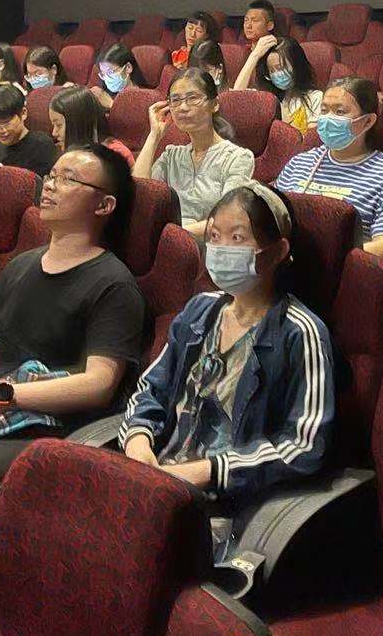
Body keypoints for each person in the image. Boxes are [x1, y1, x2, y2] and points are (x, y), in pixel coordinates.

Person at [0, 145, 146, 512]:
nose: (50, 185)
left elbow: (99, 384)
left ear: (104, 205)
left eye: (68, 179)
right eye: (51, 175)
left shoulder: (114, 284)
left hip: (41, 432)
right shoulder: (22, 265)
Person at [120, 182, 334, 509]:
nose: (220, 249)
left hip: (226, 502)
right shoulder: (200, 309)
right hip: (157, 480)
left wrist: (208, 471)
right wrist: (138, 439)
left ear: (277, 251)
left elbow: (304, 446)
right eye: (214, 236)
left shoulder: (301, 332)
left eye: (237, 238)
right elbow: (152, 387)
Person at [274, 77, 383, 262]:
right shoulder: (299, 163)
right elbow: (269, 218)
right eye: (324, 110)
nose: (328, 118)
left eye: (340, 112)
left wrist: (325, 256)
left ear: (368, 121)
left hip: (341, 271)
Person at [134, 69, 254, 235]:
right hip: (166, 240)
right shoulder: (171, 156)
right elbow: (140, 196)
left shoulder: (237, 158)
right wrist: (154, 136)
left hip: (208, 243)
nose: (183, 107)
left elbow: (229, 219)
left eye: (193, 98)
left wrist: (172, 234)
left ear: (214, 104)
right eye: (175, 100)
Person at [234, 35, 323, 131]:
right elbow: (235, 97)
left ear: (297, 65)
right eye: (272, 71)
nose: (277, 74)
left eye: (281, 67)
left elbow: (310, 137)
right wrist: (255, 55)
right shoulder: (268, 99)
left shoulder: (315, 97)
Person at [50, 85, 135, 165]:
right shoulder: (61, 153)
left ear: (80, 123)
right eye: (53, 125)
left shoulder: (116, 154)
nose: (54, 133)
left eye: (59, 125)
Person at [92, 44, 149, 110]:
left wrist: (111, 104)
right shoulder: (104, 96)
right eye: (103, 74)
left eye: (110, 72)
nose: (107, 78)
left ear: (128, 68)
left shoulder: (145, 98)